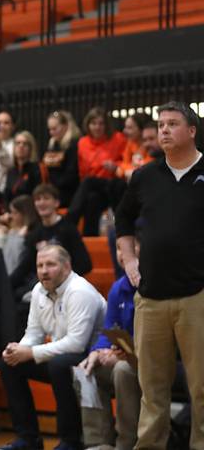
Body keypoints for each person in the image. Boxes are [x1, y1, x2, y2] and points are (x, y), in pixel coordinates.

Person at [115, 101, 204, 449]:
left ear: (192, 131)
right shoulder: (145, 176)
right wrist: (128, 260)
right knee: (152, 390)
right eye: (161, 124)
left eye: (172, 124)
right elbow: (121, 218)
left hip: (196, 297)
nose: (164, 129)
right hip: (150, 299)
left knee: (201, 389)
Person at [0, 244, 106, 450]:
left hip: (94, 359)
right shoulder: (39, 289)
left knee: (59, 365)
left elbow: (76, 344)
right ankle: (28, 439)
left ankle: (71, 441)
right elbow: (34, 333)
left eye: (50, 265)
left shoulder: (80, 291)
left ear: (66, 266)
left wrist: (31, 352)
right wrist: (19, 350)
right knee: (8, 363)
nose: (44, 271)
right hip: (62, 355)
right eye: (40, 265)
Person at [76, 242, 140, 450]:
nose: (122, 254)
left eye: (129, 248)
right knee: (84, 369)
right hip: (124, 354)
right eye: (119, 249)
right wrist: (97, 352)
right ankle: (99, 442)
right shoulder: (118, 288)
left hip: (150, 360)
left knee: (123, 370)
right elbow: (109, 329)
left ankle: (126, 443)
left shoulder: (155, 287)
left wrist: (123, 354)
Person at [9, 184, 93, 330]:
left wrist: (62, 279)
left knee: (26, 305)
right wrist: (5, 285)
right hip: (41, 283)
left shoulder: (68, 229)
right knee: (11, 299)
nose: (41, 202)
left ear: (56, 203)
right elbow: (25, 266)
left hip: (65, 285)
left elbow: (85, 264)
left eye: (46, 198)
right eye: (38, 199)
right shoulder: (34, 233)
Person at [67, 107, 127, 236]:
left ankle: (69, 221)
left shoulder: (118, 138)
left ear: (106, 125)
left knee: (89, 182)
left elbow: (126, 162)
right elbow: (82, 171)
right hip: (95, 188)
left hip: (113, 184)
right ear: (88, 125)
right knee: (91, 200)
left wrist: (115, 166)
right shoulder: (83, 143)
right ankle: (89, 240)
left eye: (101, 123)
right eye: (94, 123)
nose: (97, 127)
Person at [43, 110, 81, 208]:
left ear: (65, 126)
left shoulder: (73, 144)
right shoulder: (52, 144)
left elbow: (72, 173)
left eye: (55, 129)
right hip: (53, 190)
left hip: (68, 192)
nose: (51, 132)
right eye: (50, 129)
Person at [1, 195, 39, 276]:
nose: (11, 216)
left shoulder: (31, 233)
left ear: (25, 213)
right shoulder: (12, 230)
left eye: (15, 213)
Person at [4, 131, 41, 205]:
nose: (21, 146)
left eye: (25, 144)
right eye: (18, 143)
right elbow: (6, 196)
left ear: (31, 148)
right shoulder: (11, 170)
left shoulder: (37, 169)